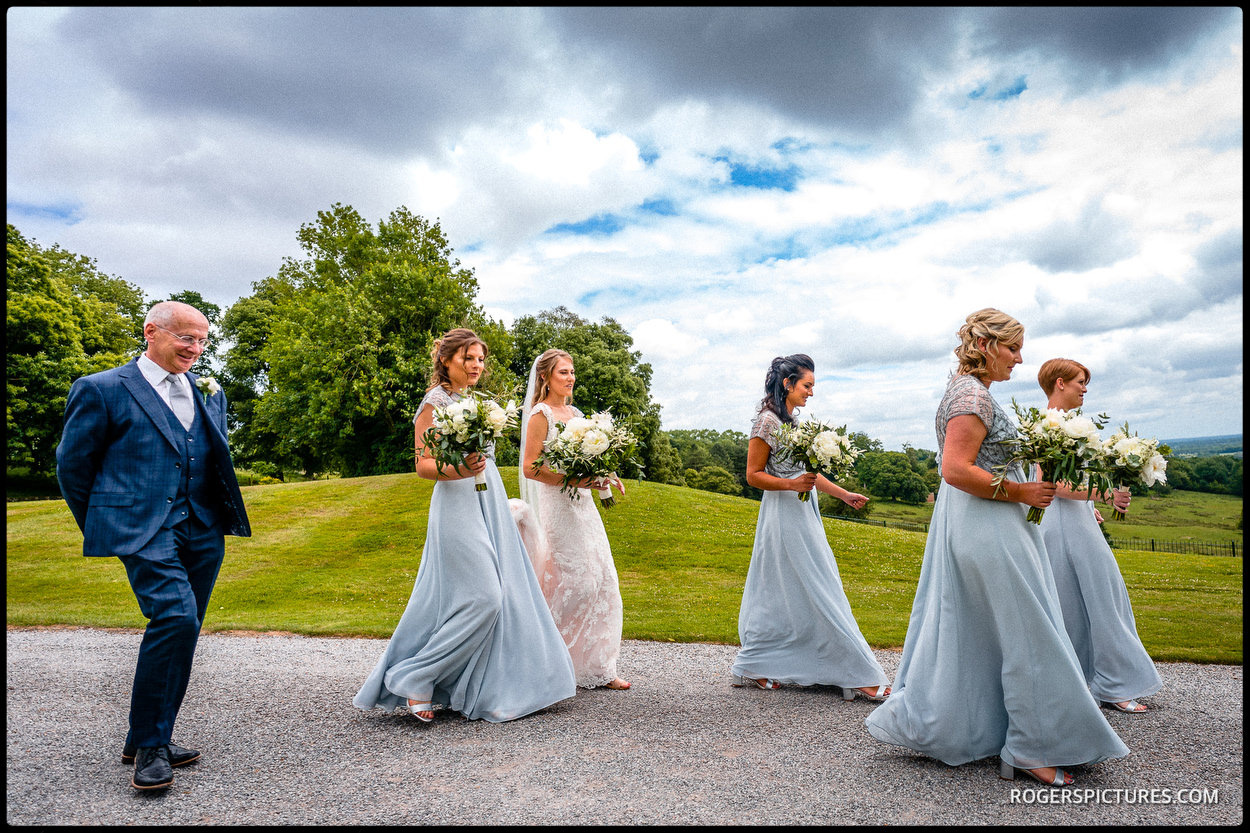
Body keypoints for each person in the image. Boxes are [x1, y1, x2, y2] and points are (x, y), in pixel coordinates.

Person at [865, 309, 1128, 788]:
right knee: (1030, 632)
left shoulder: (971, 392)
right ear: (986, 346)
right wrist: (1022, 492)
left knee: (989, 633)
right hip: (989, 526)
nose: (1020, 359)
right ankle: (1032, 748)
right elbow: (955, 469)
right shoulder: (970, 395)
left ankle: (989, 730)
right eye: (1013, 348)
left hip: (983, 523)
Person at [56, 300, 251, 792]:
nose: (196, 348)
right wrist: (112, 525)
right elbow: (73, 468)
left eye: (203, 340)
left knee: (186, 628)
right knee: (175, 617)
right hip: (142, 530)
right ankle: (150, 748)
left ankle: (144, 734)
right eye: (187, 337)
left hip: (202, 528)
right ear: (152, 332)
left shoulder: (209, 391)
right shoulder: (101, 389)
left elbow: (212, 455)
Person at [353, 329, 576, 724]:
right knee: (483, 596)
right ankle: (415, 676)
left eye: (480, 360)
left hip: (488, 499)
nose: (476, 366)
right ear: (446, 360)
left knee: (505, 593)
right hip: (455, 502)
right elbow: (422, 465)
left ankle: (497, 683)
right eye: (468, 359)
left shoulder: (476, 402)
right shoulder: (433, 403)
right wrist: (458, 468)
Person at [729, 354, 891, 701]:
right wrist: (791, 485)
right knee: (818, 584)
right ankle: (855, 670)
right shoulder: (766, 423)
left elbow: (811, 476)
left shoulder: (794, 425)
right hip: (783, 514)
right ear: (788, 384)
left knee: (789, 587)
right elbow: (753, 475)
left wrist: (844, 494)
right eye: (807, 385)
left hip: (805, 512)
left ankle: (760, 661)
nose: (811, 393)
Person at [1035, 358, 1162, 714]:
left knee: (1090, 598)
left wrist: (1090, 507)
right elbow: (1052, 484)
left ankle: (1098, 679)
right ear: (1060, 383)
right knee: (1096, 599)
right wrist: (1101, 494)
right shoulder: (1048, 425)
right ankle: (1111, 685)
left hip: (1077, 520)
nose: (1084, 389)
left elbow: (1073, 479)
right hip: (1058, 526)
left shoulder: (1073, 424)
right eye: (1080, 382)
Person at [510, 348, 630, 691]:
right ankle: (546, 660)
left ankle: (598, 668)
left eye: (572, 371)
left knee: (603, 578)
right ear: (546, 377)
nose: (571, 377)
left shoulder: (576, 413)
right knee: (573, 582)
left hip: (584, 506)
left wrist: (605, 473)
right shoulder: (540, 415)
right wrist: (574, 481)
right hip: (558, 506)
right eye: (564, 372)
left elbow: (588, 461)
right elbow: (530, 467)